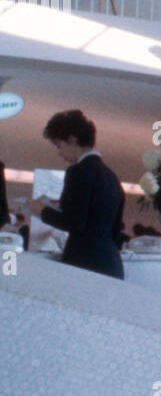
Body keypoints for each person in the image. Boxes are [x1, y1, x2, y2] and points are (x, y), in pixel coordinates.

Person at [26, 110, 125, 279]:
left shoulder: (78, 171)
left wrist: (41, 210)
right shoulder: (111, 177)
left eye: (59, 145)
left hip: (84, 262)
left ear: (72, 140)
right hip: (111, 263)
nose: (59, 152)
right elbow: (115, 230)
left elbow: (73, 223)